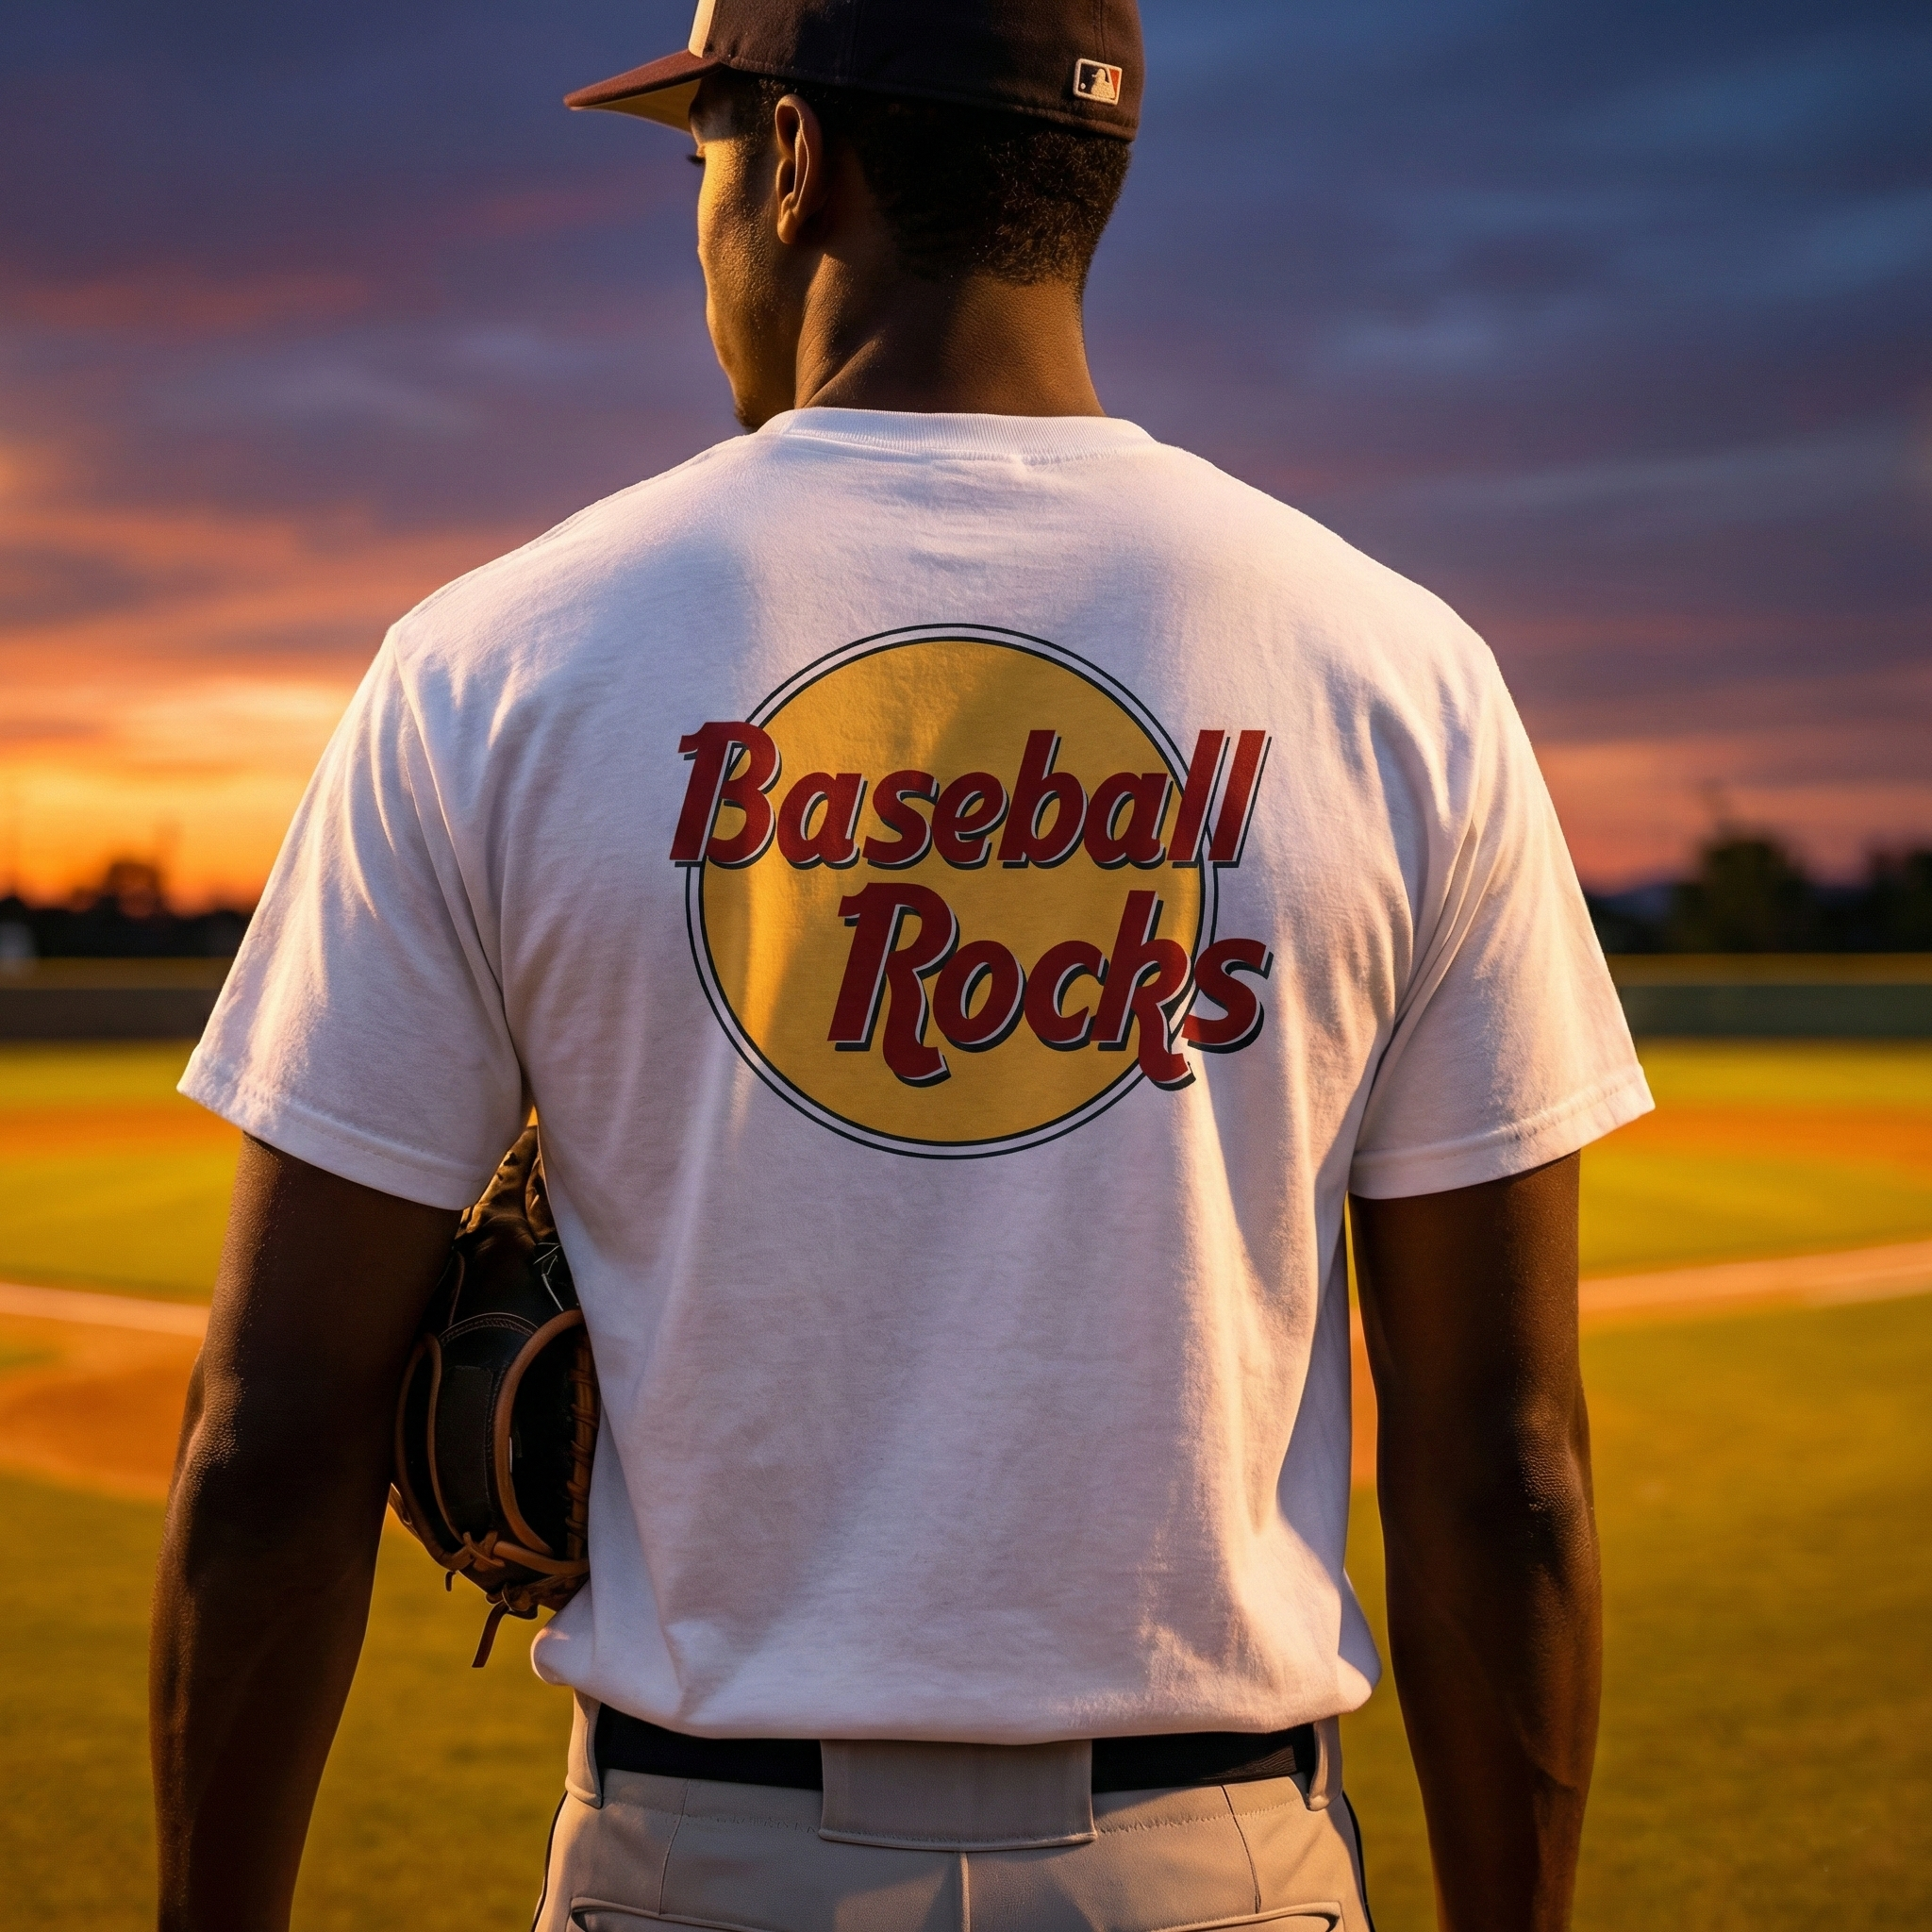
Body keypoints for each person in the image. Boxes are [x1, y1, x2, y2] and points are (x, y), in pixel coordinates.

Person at [151, 2, 1652, 1928]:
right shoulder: (1402, 674)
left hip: (699, 1866)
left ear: (794, 163)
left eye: (705, 155)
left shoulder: (492, 663)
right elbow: (1505, 1467)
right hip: (1223, 1870)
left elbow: (270, 1437)